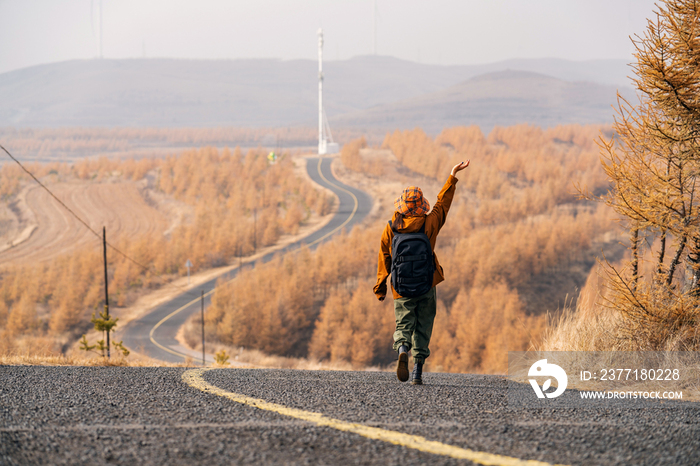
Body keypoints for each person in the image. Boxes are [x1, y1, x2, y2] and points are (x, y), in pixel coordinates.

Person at [373, 160, 470, 384]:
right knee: (424, 325)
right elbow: (443, 203)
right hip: (427, 282)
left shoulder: (391, 227)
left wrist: (380, 286)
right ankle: (417, 370)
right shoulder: (430, 223)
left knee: (403, 324)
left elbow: (384, 257)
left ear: (401, 205)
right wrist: (452, 176)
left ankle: (402, 350)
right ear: (421, 206)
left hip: (401, 287)